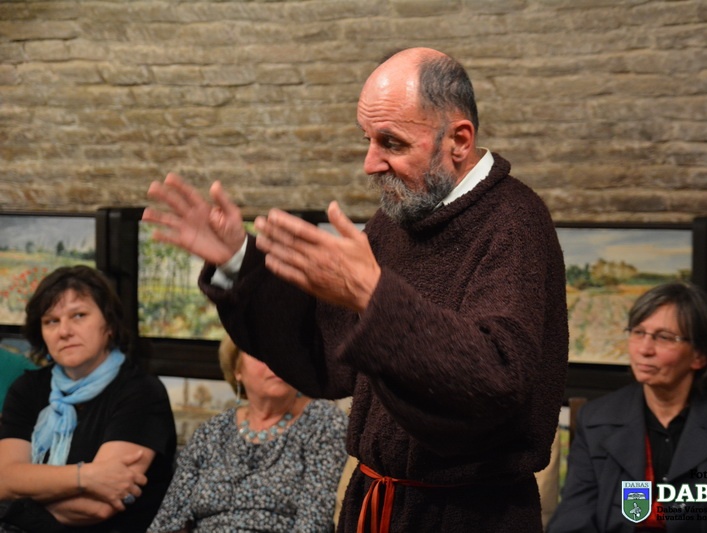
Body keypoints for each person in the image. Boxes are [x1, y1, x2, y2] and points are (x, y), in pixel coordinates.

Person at [143, 46, 569, 532]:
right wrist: (239, 260)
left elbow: (497, 379)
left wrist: (372, 295)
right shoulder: (395, 222)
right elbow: (326, 355)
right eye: (367, 139)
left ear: (458, 139)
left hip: (469, 517)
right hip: (373, 506)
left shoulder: (514, 222)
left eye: (391, 142)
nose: (370, 163)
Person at [547, 281, 707, 533]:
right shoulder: (596, 419)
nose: (644, 349)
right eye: (638, 332)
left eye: (664, 337)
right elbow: (573, 519)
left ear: (699, 356)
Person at [0, 265, 177, 533]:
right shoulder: (28, 388)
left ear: (110, 325)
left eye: (79, 315)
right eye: (51, 321)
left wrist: (14, 503)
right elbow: (4, 479)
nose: (64, 331)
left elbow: (97, 506)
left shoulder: (142, 392)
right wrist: (87, 476)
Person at [148, 333, 348, 533]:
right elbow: (168, 520)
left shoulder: (324, 422)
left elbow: (314, 524)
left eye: (284, 353)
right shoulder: (212, 431)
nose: (275, 362)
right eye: (260, 354)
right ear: (237, 370)